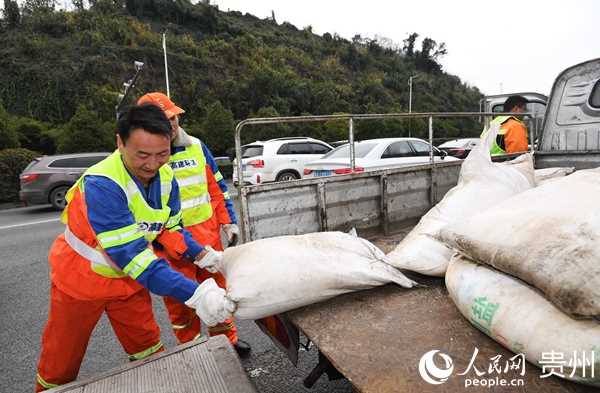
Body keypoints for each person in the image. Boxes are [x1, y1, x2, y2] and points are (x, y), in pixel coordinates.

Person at [35, 104, 234, 392]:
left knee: (148, 350)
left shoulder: (166, 179)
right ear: (120, 142)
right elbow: (132, 256)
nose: (152, 164)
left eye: (162, 154)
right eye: (142, 154)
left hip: (128, 285)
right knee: (60, 364)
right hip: (80, 283)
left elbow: (170, 228)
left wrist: (203, 255)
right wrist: (196, 293)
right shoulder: (102, 183)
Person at [137, 92, 251, 357]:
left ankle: (228, 342)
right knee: (181, 304)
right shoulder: (144, 160)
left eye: (174, 117)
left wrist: (228, 222)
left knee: (219, 297)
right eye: (166, 119)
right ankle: (193, 349)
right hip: (171, 250)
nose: (173, 123)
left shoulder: (197, 146)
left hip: (207, 242)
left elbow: (216, 189)